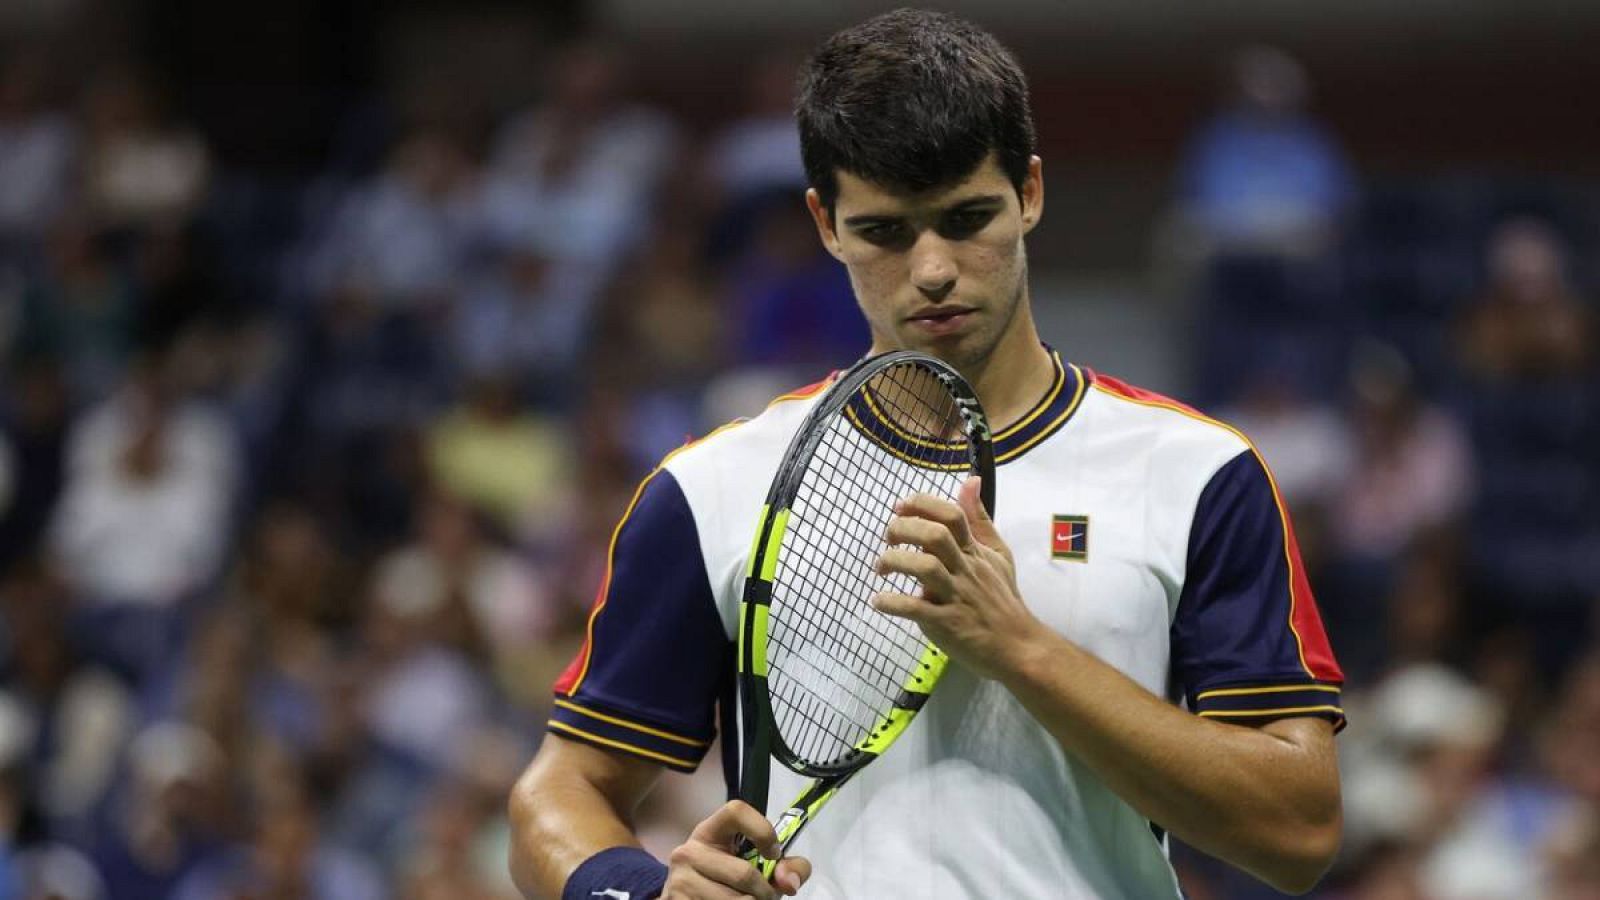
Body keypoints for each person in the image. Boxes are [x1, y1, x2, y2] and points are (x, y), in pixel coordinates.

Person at [509, 10, 1344, 899]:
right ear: (825, 224)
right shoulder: (713, 488)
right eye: (886, 232)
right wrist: (641, 894)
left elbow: (1299, 830)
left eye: (967, 218)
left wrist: (1022, 649)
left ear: (1029, 191)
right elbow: (557, 794)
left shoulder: (1196, 476)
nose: (935, 268)